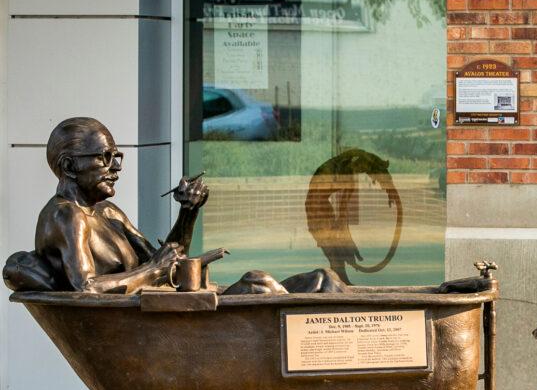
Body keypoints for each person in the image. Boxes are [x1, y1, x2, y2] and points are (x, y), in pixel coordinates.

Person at [2, 117, 345, 295]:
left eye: (117, 156)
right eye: (105, 157)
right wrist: (151, 272)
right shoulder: (67, 216)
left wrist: (189, 210)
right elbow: (87, 288)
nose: (116, 167)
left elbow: (166, 258)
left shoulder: (107, 213)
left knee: (321, 279)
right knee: (263, 285)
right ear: (69, 166)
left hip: (173, 305)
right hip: (156, 322)